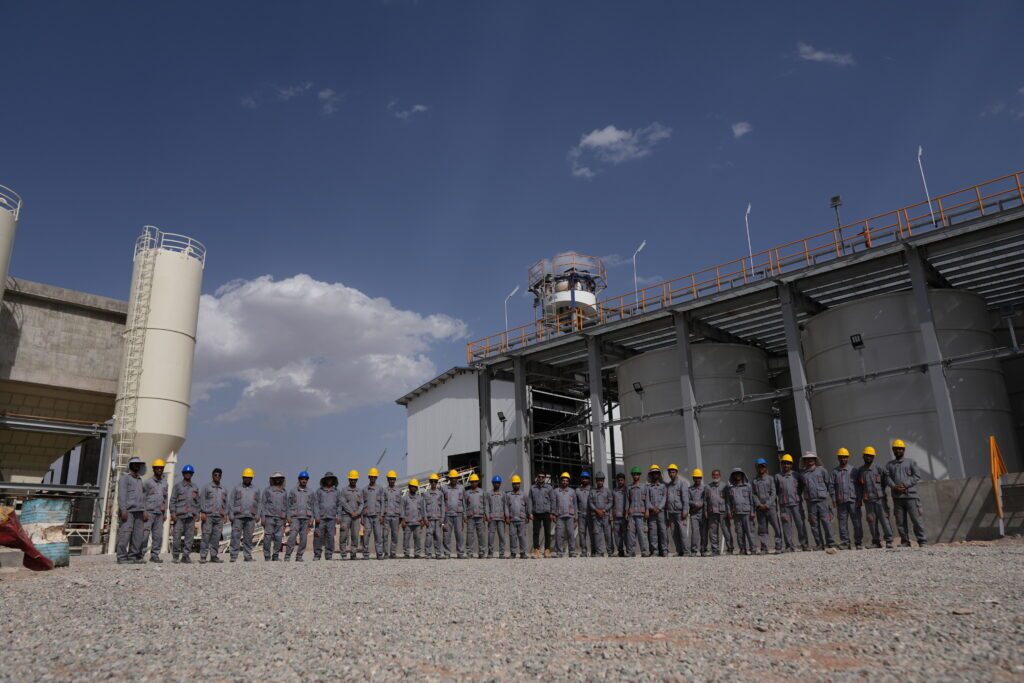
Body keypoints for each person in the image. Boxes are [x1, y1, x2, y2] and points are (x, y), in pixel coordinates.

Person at [884, 439, 928, 547]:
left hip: (911, 496)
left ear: (904, 450)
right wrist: (894, 486)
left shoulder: (911, 462)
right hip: (898, 497)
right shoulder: (890, 465)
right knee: (900, 522)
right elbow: (887, 477)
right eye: (896, 449)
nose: (898, 451)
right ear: (893, 450)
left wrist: (905, 485)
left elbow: (917, 475)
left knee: (916, 520)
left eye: (900, 449)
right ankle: (905, 541)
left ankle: (922, 541)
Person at [856, 447, 893, 548]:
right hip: (868, 501)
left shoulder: (878, 468)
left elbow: (885, 481)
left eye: (870, 456)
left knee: (884, 519)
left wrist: (883, 491)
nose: (868, 457)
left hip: (880, 499)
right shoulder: (860, 471)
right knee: (871, 521)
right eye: (866, 455)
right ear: (863, 456)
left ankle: (889, 540)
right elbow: (859, 487)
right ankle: (876, 542)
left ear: (873, 457)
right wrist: (859, 499)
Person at [115, 456, 148, 564]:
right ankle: (122, 557)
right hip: (128, 511)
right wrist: (123, 510)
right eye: (134, 464)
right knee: (125, 534)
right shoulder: (125, 478)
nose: (137, 466)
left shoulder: (139, 480)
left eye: (138, 464)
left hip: (139, 511)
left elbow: (143, 497)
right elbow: (122, 495)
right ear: (130, 465)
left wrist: (144, 511)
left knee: (137, 535)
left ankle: (133, 556)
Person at [801, 452, 836, 550]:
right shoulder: (803, 474)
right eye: (808, 459)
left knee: (826, 522)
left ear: (815, 459)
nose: (810, 460)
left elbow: (828, 485)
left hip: (822, 501)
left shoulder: (822, 471)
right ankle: (819, 544)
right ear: (804, 461)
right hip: (810, 502)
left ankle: (831, 543)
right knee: (814, 524)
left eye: (812, 458)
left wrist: (831, 499)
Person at [775, 454, 807, 552]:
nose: (786, 465)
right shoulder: (777, 476)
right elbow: (776, 490)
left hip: (796, 504)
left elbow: (802, 486)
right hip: (784, 505)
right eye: (784, 463)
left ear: (791, 465)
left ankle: (804, 544)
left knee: (800, 524)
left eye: (788, 464)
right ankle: (789, 546)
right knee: (786, 526)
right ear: (781, 464)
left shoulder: (796, 475)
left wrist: (797, 495)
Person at [832, 449, 862, 550]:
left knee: (856, 522)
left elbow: (858, 485)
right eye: (841, 457)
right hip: (841, 501)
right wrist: (833, 499)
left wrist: (859, 498)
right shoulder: (835, 472)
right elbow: (831, 487)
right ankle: (845, 542)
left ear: (848, 458)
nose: (843, 459)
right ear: (837, 458)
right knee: (842, 523)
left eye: (845, 457)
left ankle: (858, 542)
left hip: (853, 500)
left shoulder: (854, 470)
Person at [169, 464, 200, 564]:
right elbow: (172, 500)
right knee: (177, 536)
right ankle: (176, 556)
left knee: (189, 537)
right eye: (186, 473)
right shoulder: (177, 487)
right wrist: (172, 513)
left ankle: (186, 556)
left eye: (190, 473)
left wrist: (197, 513)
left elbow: (197, 502)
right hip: (179, 516)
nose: (188, 474)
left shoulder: (195, 487)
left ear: (192, 474)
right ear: (183, 474)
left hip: (190, 516)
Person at [229, 467, 260, 562]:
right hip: (238, 516)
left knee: (248, 537)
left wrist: (258, 514)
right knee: (235, 536)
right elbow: (231, 501)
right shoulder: (237, 488)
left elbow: (259, 503)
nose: (247, 479)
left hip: (250, 517)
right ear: (242, 477)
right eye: (246, 477)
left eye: (249, 477)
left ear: (252, 478)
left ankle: (247, 556)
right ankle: (233, 556)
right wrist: (231, 515)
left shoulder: (256, 489)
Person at [752, 458, 782, 554]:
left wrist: (767, 504)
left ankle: (778, 546)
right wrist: (758, 504)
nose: (761, 468)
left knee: (776, 527)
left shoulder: (771, 479)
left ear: (765, 467)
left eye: (763, 466)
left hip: (771, 507)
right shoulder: (754, 481)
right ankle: (764, 548)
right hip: (760, 508)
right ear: (756, 468)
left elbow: (774, 493)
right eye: (759, 466)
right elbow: (753, 494)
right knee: (762, 529)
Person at [141, 458, 168, 563]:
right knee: (144, 535)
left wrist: (165, 512)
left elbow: (166, 498)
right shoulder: (147, 483)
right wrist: (144, 512)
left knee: (158, 536)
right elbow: (143, 498)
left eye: (161, 468)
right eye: (157, 468)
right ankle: (140, 555)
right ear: (153, 469)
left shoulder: (165, 483)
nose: (159, 470)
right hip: (149, 512)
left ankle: (155, 555)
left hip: (159, 514)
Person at [199, 468, 228, 563]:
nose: (217, 477)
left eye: (219, 475)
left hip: (219, 516)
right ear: (212, 476)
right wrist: (202, 512)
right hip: (208, 516)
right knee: (206, 536)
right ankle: (203, 556)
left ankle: (214, 556)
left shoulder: (223, 489)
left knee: (216, 537)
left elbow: (225, 502)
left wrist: (225, 514)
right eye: (215, 475)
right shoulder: (207, 487)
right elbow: (202, 499)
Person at [726, 468, 756, 555]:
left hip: (747, 512)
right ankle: (742, 549)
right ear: (733, 476)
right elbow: (728, 502)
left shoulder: (748, 486)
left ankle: (753, 549)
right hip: (736, 513)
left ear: (742, 475)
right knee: (739, 532)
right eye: (735, 474)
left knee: (750, 532)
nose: (737, 475)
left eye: (739, 474)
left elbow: (751, 500)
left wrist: (752, 511)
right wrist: (729, 512)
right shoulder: (731, 488)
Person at [260, 472, 288, 561]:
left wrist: (285, 519)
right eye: (276, 478)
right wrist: (263, 517)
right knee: (268, 537)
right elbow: (263, 504)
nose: (277, 479)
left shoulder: (284, 492)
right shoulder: (267, 490)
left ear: (282, 479)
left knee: (279, 537)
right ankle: (267, 556)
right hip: (269, 517)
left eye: (279, 478)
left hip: (280, 518)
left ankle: (275, 556)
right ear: (272, 479)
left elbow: (286, 505)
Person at [312, 472, 340, 560]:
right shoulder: (319, 491)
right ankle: (317, 554)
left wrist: (338, 516)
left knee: (330, 536)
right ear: (324, 480)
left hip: (331, 517)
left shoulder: (337, 492)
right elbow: (315, 504)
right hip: (321, 518)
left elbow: (339, 505)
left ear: (333, 480)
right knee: (318, 536)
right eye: (327, 479)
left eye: (331, 479)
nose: (329, 480)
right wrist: (316, 516)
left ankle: (329, 554)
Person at [664, 464, 689, 557]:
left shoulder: (682, 483)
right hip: (671, 513)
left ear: (676, 472)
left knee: (682, 532)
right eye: (670, 472)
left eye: (673, 472)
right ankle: (679, 551)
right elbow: (667, 500)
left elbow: (685, 498)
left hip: (680, 512)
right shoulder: (668, 486)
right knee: (674, 533)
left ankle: (686, 551)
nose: (671, 473)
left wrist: (685, 510)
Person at [705, 469, 732, 556]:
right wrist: (705, 511)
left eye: (717, 475)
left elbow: (728, 500)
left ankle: (730, 548)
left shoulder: (725, 486)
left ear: (720, 475)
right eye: (714, 475)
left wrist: (729, 511)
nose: (715, 476)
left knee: (726, 531)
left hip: (723, 512)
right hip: (712, 512)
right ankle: (715, 550)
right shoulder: (708, 487)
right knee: (713, 532)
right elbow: (705, 500)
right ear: (712, 476)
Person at [551, 472, 577, 558]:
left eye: (566, 481)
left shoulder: (572, 491)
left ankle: (572, 551)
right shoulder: (555, 491)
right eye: (563, 480)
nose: (564, 482)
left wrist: (575, 519)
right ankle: (559, 552)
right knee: (559, 534)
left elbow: (575, 505)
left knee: (571, 534)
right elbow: (553, 503)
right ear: (560, 481)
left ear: (568, 482)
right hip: (559, 516)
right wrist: (553, 514)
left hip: (570, 516)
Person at [626, 466, 650, 557]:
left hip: (641, 514)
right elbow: (627, 501)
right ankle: (631, 551)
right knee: (631, 533)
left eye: (637, 474)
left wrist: (647, 510)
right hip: (632, 514)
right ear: (632, 475)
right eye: (634, 474)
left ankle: (645, 551)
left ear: (639, 475)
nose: (635, 476)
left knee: (642, 533)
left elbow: (647, 500)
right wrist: (626, 512)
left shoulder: (644, 487)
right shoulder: (629, 488)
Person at [529, 472, 554, 558]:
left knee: (547, 532)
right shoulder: (532, 488)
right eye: (539, 476)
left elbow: (552, 500)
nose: (541, 478)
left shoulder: (549, 488)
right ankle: (536, 550)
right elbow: (530, 501)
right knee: (536, 532)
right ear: (537, 477)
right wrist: (530, 513)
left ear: (545, 478)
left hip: (546, 513)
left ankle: (547, 550)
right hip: (536, 513)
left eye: (543, 477)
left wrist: (552, 513)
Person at [443, 469, 466, 559]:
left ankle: (460, 553)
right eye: (451, 478)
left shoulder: (461, 488)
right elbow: (442, 502)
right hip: (447, 515)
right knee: (446, 535)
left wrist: (464, 516)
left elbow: (463, 502)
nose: (453, 480)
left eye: (455, 478)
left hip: (458, 515)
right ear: (449, 478)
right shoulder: (444, 488)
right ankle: (447, 553)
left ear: (457, 478)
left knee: (459, 534)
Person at [505, 475, 530, 559]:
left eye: (517, 483)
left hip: (522, 519)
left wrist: (528, 516)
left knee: (522, 536)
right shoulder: (508, 495)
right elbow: (506, 507)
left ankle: (523, 553)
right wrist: (507, 517)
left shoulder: (524, 494)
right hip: (512, 519)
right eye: (514, 483)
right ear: (512, 484)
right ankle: (513, 553)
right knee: (512, 536)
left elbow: (527, 506)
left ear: (520, 484)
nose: (516, 485)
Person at [362, 468, 385, 560]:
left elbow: (382, 502)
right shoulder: (364, 490)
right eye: (371, 476)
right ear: (369, 477)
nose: (372, 478)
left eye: (374, 477)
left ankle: (379, 554)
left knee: (378, 536)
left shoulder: (380, 489)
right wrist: (362, 516)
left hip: (377, 515)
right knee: (366, 536)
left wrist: (382, 515)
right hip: (367, 516)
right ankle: (366, 554)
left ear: (376, 477)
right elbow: (362, 504)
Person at [339, 470, 363, 560]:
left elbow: (362, 504)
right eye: (351, 479)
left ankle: (353, 554)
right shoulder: (344, 490)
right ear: (349, 479)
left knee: (355, 536)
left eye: (355, 479)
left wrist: (358, 512)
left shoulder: (359, 491)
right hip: (346, 516)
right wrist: (351, 512)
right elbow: (343, 503)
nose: (353, 481)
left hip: (356, 517)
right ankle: (343, 554)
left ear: (357, 480)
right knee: (343, 535)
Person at [589, 472, 613, 557]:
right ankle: (599, 552)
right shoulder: (592, 491)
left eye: (601, 480)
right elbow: (590, 503)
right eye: (598, 480)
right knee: (597, 534)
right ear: (596, 481)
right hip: (595, 516)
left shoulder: (607, 491)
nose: (600, 482)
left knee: (608, 534)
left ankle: (610, 552)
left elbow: (611, 502)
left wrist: (604, 510)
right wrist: (596, 510)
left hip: (605, 516)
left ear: (603, 481)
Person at [646, 465, 668, 557]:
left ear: (659, 474)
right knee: (653, 532)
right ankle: (655, 551)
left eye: (656, 473)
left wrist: (659, 508)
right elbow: (646, 499)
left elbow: (665, 498)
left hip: (661, 512)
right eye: (653, 473)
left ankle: (664, 550)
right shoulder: (648, 487)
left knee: (663, 531)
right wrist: (651, 508)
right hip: (652, 513)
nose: (655, 475)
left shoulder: (663, 486)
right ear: (650, 475)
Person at [422, 473, 446, 559]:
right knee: (429, 536)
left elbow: (442, 507)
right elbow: (423, 508)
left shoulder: (440, 494)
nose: (433, 483)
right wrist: (425, 519)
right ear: (429, 482)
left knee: (438, 537)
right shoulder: (425, 494)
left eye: (435, 481)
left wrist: (442, 519)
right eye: (432, 481)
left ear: (437, 482)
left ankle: (438, 553)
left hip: (438, 519)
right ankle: (428, 554)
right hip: (429, 519)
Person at [401, 478, 425, 559]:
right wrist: (403, 520)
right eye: (412, 486)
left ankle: (417, 553)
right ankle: (406, 553)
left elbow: (422, 510)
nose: (413, 488)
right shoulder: (405, 498)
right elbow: (402, 509)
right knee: (406, 539)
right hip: (408, 522)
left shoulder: (420, 498)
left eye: (415, 486)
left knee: (417, 538)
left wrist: (423, 520)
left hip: (417, 522)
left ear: (417, 488)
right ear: (409, 487)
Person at [465, 473, 487, 559]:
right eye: (472, 481)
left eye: (475, 481)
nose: (473, 483)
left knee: (481, 535)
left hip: (480, 516)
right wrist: (465, 516)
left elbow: (485, 504)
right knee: (470, 535)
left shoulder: (482, 492)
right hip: (470, 516)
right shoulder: (467, 493)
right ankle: (469, 552)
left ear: (478, 482)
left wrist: (486, 515)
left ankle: (481, 552)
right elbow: (464, 505)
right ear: (470, 482)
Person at [382, 470, 403, 559]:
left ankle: (393, 553)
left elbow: (401, 504)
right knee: (385, 535)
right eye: (390, 479)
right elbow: (382, 503)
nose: (391, 481)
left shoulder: (398, 491)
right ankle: (386, 553)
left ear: (395, 480)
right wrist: (382, 515)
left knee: (395, 535)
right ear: (387, 479)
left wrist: (402, 516)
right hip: (387, 516)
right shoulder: (384, 490)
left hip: (396, 516)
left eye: (393, 479)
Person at [486, 476, 506, 559]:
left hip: (501, 518)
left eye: (498, 483)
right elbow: (487, 506)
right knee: (491, 536)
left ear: (500, 484)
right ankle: (490, 553)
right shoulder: (489, 494)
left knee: (502, 536)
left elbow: (505, 506)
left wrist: (506, 516)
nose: (496, 484)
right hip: (492, 518)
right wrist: (487, 516)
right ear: (492, 483)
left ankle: (501, 553)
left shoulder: (503, 494)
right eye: (495, 483)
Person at [688, 469, 707, 556]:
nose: (697, 479)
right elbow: (687, 500)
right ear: (693, 478)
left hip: (703, 513)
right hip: (694, 514)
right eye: (695, 478)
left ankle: (703, 549)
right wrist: (694, 504)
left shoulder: (705, 488)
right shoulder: (690, 489)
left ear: (701, 478)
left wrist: (702, 503)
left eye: (699, 478)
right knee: (695, 532)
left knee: (703, 532)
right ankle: (694, 550)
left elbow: (707, 499)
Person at [575, 471, 593, 557]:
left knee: (592, 533)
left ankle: (593, 550)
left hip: (591, 515)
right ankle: (584, 551)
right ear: (581, 479)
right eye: (583, 478)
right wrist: (575, 516)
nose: (584, 480)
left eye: (586, 478)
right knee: (582, 533)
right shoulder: (577, 490)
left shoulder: (592, 490)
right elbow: (575, 504)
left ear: (589, 480)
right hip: (581, 514)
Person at [612, 472, 629, 556]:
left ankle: (628, 551)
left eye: (622, 480)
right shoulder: (614, 491)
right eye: (619, 480)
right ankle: (620, 551)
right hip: (616, 516)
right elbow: (612, 503)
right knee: (617, 535)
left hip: (624, 516)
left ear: (624, 480)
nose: (620, 482)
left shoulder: (627, 490)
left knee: (626, 534)